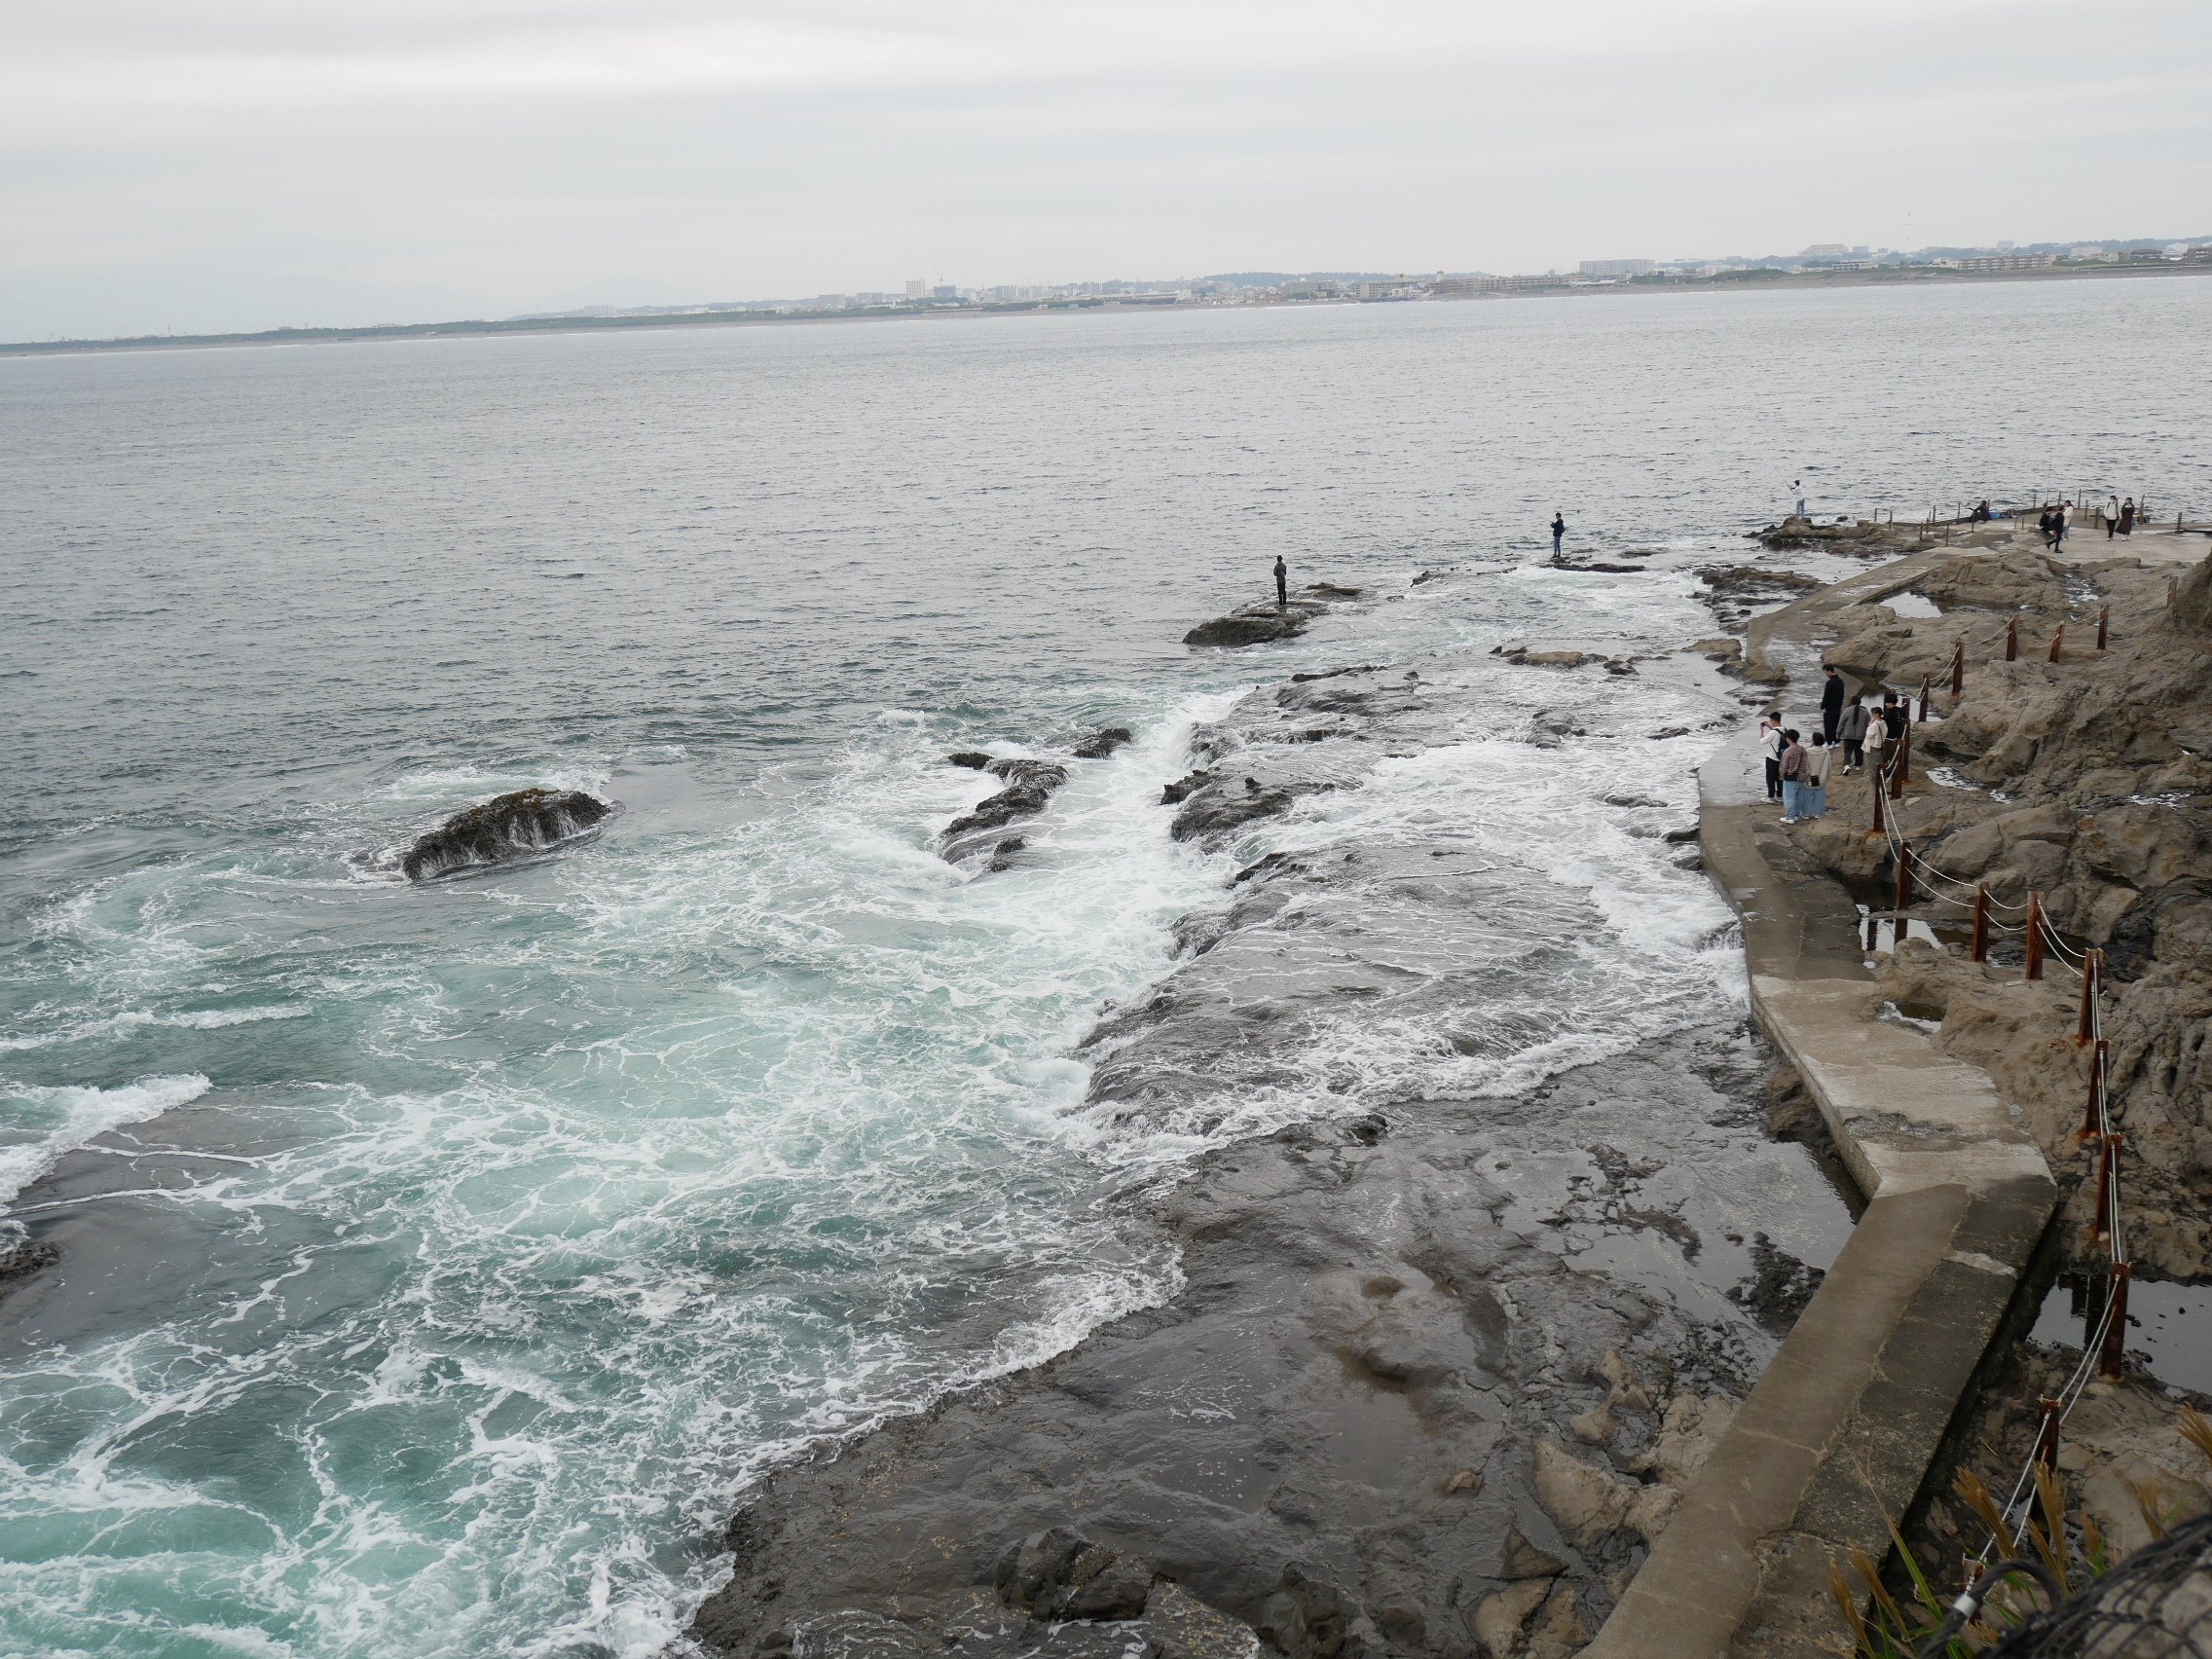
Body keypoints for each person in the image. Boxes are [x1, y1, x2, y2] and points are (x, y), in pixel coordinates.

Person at [1778, 728, 1808, 824]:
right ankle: (1796, 815)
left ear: (1788, 738)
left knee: (1789, 798)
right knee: (1799, 797)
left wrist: (1781, 775)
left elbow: (1783, 767)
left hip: (1790, 777)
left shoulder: (1788, 751)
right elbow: (1805, 763)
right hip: (1801, 776)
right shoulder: (1803, 749)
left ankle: (1789, 817)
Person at [1837, 695, 1871, 773]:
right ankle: (1858, 765)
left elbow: (1841, 723)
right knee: (1859, 751)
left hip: (1848, 735)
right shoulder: (1865, 711)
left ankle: (1847, 765)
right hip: (1860, 735)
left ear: (1851, 702)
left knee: (1848, 751)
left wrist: (1838, 733)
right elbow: (1869, 724)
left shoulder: (1847, 710)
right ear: (1860, 702)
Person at [1803, 732, 1833, 819]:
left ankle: (1807, 814)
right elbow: (1829, 765)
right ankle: (1818, 813)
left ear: (1813, 740)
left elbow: (1805, 766)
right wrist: (1828, 776)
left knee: (1808, 796)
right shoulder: (1825, 751)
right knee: (1820, 796)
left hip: (1809, 779)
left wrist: (1804, 776)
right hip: (1821, 779)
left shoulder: (1808, 751)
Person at [1760, 715, 1786, 800]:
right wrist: (1770, 727)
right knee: (1780, 778)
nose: (1770, 722)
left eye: (1770, 720)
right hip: (1782, 758)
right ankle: (1780, 796)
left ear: (1773, 720)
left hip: (1772, 758)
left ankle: (1771, 796)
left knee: (1770, 778)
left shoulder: (1773, 733)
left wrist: (1762, 730)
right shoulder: (1785, 730)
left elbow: (1762, 741)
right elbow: (1778, 734)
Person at [1820, 665, 1846, 743]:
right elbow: (1842, 695)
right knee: (1836, 724)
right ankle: (1836, 741)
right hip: (1837, 707)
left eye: (1825, 672)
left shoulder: (1830, 683)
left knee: (1828, 725)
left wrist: (1822, 706)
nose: (1825, 674)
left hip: (1829, 708)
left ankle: (1829, 742)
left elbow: (1826, 696)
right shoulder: (1840, 681)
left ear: (1829, 671)